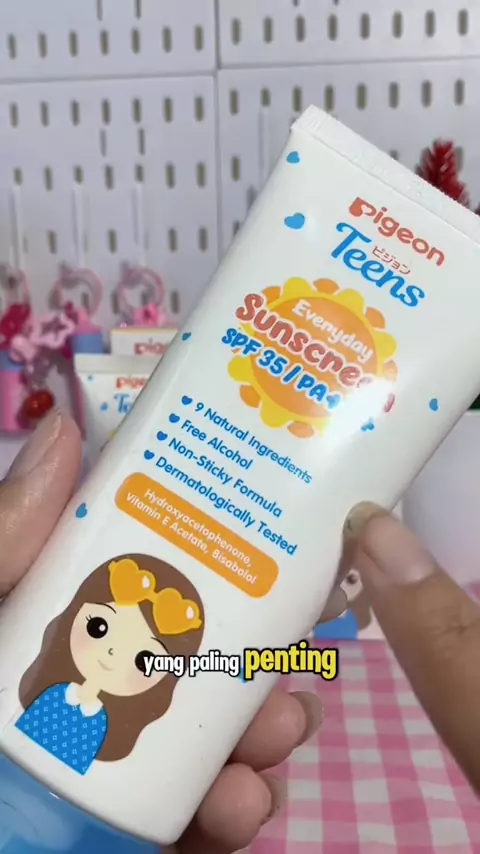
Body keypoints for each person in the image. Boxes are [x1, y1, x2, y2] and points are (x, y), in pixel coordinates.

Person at [1, 409, 478, 853]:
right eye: (99, 626)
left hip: (112, 822)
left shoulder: (104, 730)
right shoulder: (50, 697)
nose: (109, 655)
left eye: (147, 659)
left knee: (245, 780)